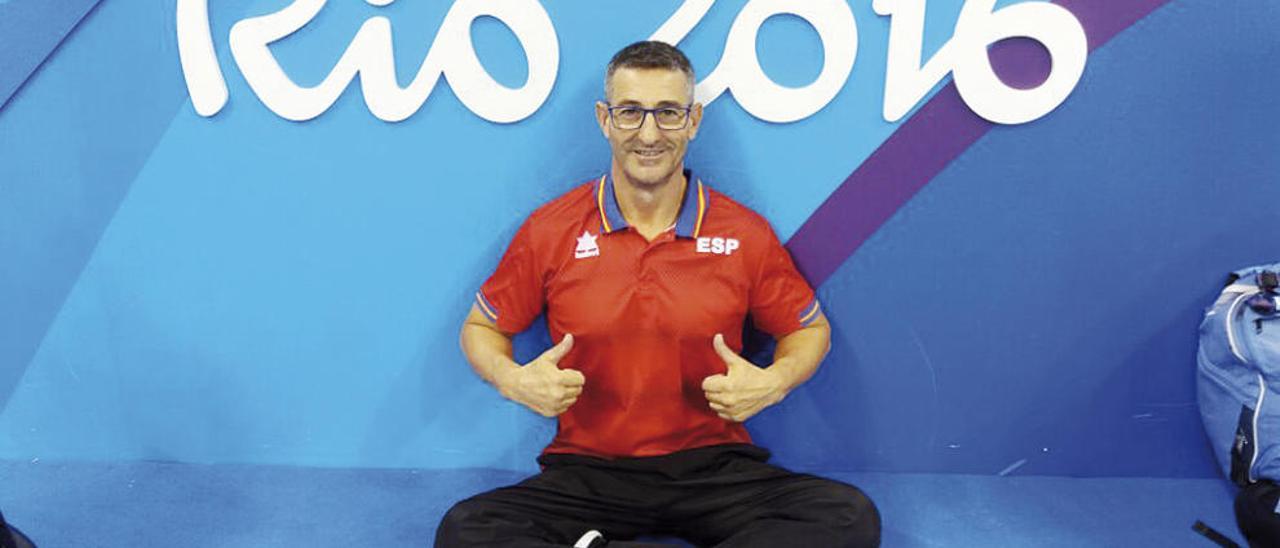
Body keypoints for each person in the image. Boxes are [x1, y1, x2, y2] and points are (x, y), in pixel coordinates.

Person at [436, 41, 880, 548]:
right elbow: (481, 326)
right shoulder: (551, 229)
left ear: (693, 121)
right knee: (466, 530)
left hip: (714, 468)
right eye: (630, 113)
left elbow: (807, 328)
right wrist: (512, 379)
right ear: (605, 119)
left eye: (668, 113)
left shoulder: (744, 233)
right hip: (588, 471)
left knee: (846, 516)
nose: (649, 134)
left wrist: (774, 381)